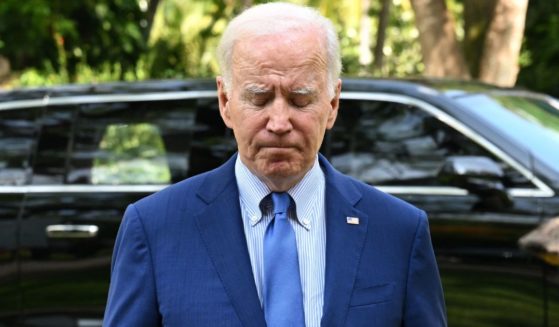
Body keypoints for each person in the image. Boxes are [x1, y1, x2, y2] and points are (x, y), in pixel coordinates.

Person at [103, 2, 447, 326]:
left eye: (300, 100)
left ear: (333, 103)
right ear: (225, 102)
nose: (279, 122)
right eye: (259, 98)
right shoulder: (155, 228)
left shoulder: (399, 231)